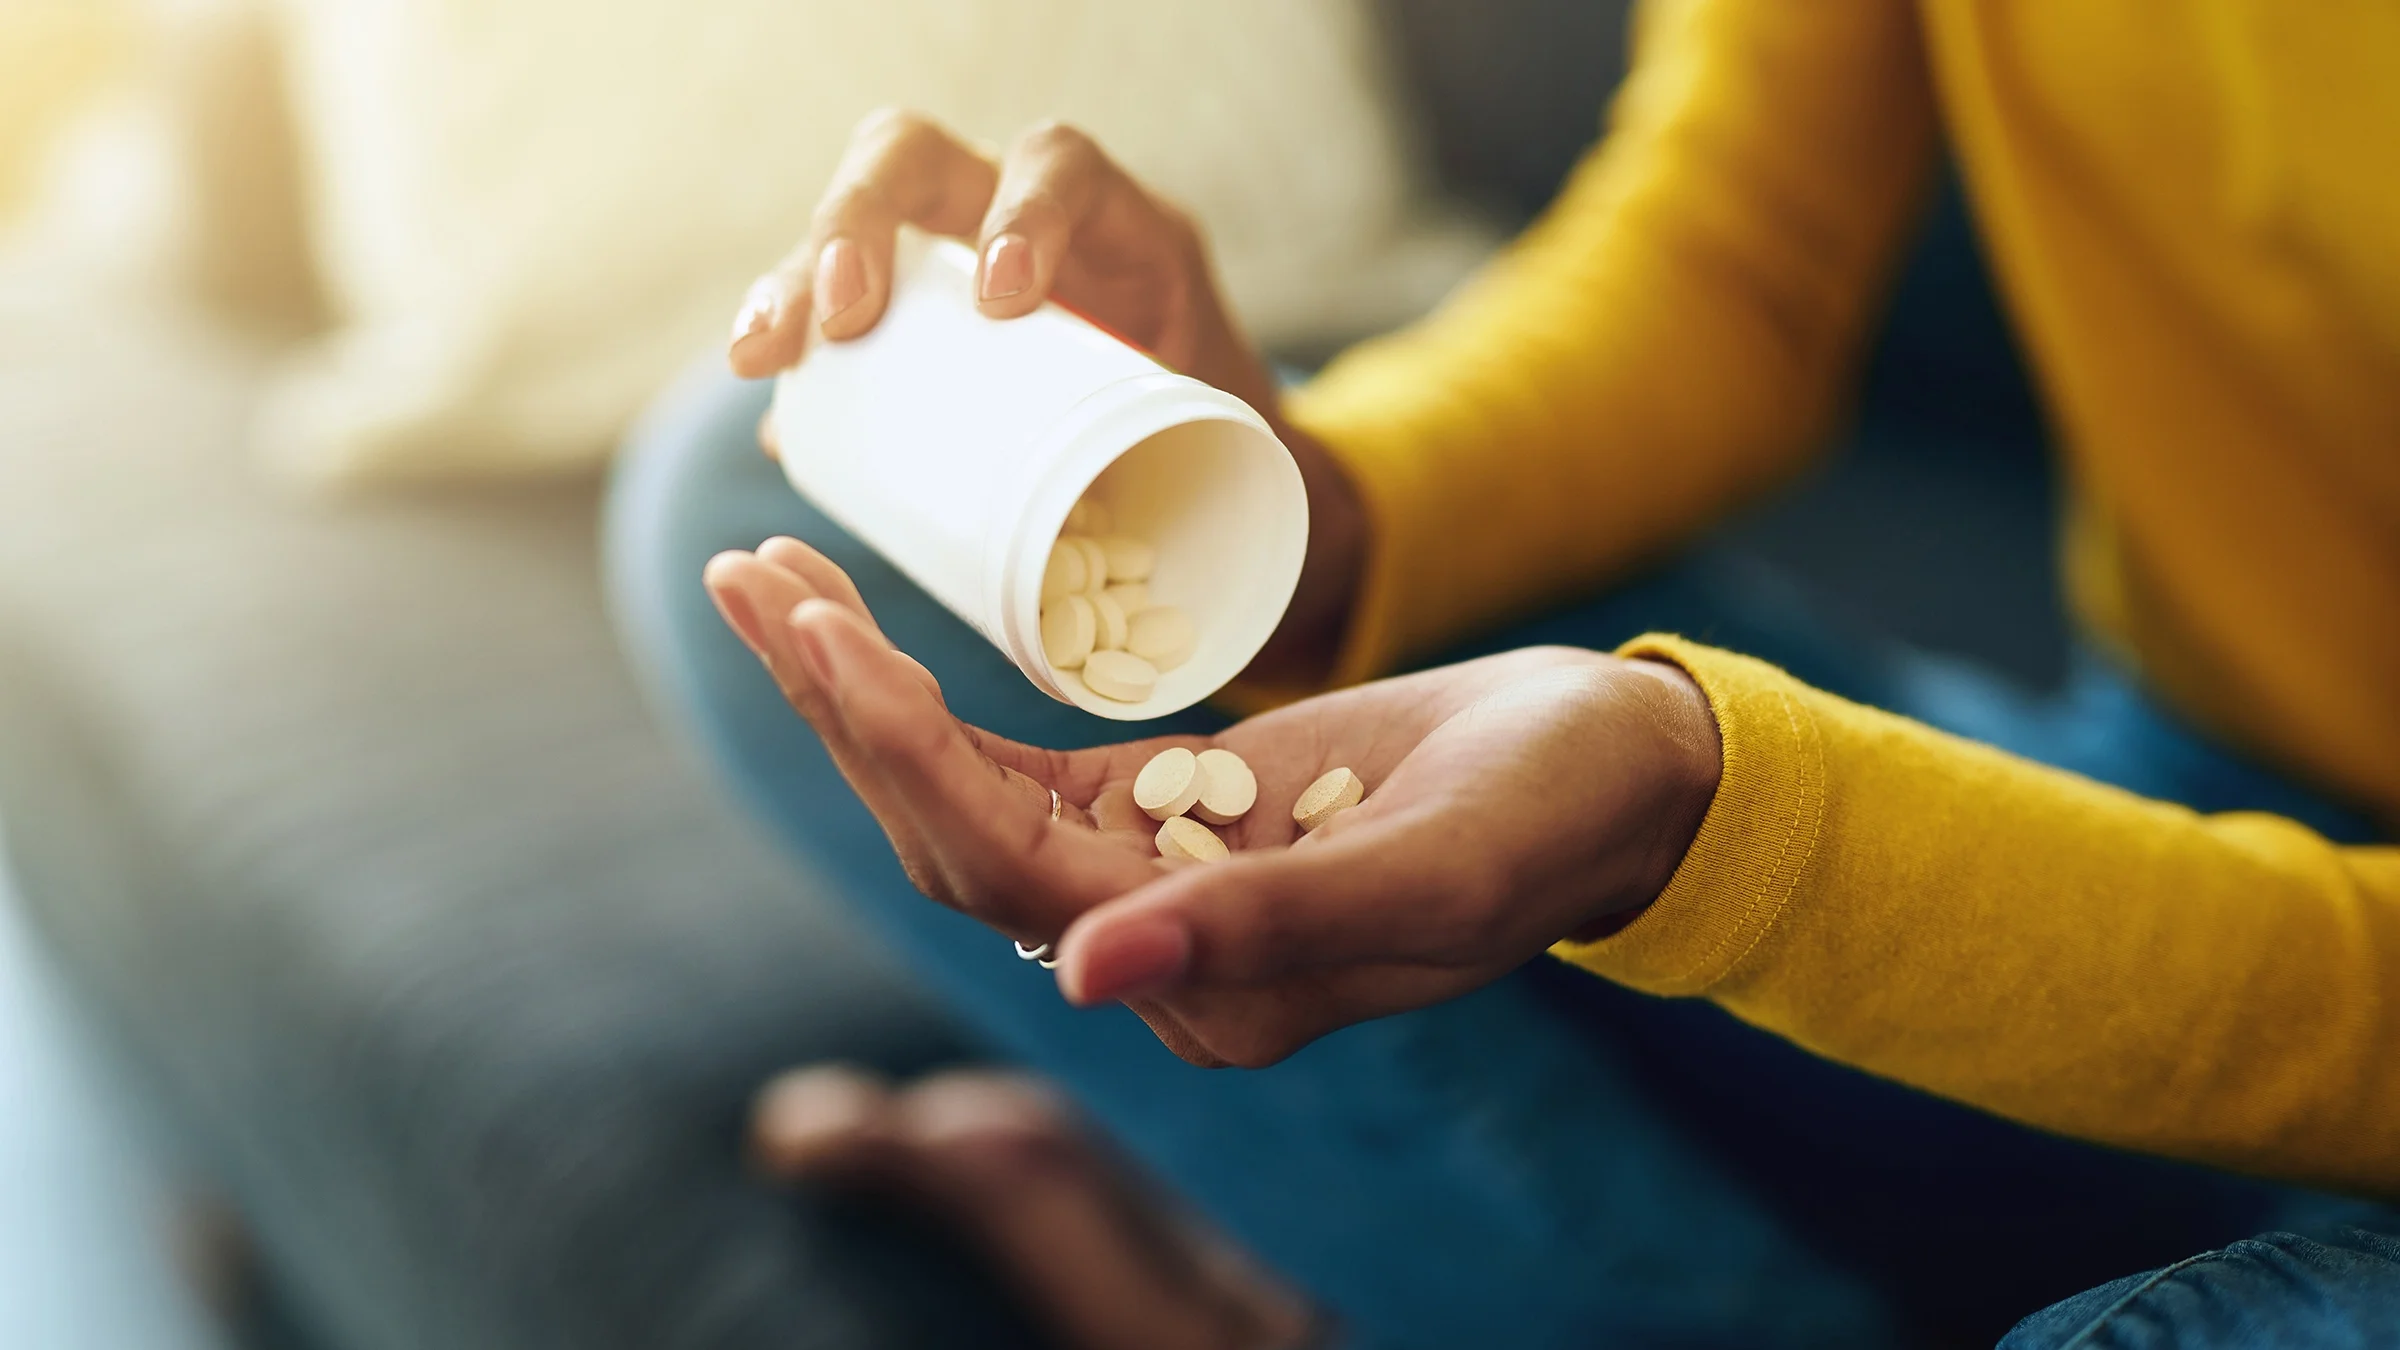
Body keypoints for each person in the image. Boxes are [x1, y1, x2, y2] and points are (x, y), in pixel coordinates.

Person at [606, 2, 2400, 1345]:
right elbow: (1732, 261)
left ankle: (1279, 1286)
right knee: (759, 466)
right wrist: (1315, 516)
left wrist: (1724, 822)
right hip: (2179, 774)